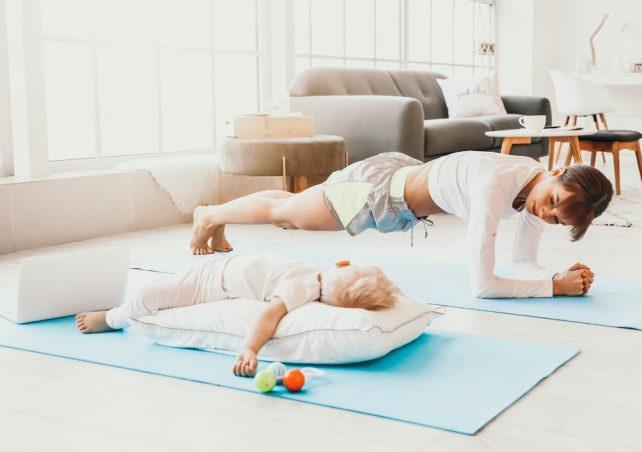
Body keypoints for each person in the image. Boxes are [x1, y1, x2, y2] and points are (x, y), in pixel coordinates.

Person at [189, 151, 613, 298]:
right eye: (554, 202)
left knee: (291, 208)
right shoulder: (496, 186)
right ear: (556, 171)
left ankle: (218, 216)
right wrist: (552, 288)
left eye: (558, 219)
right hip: (377, 193)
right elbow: (483, 286)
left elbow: (521, 261)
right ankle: (210, 215)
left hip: (399, 184)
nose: (546, 214)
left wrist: (553, 276)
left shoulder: (533, 183)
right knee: (288, 218)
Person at [76, 254, 396, 377]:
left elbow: (269, 317)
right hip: (220, 266)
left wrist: (250, 348)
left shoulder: (304, 289)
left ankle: (111, 318)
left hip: (212, 284)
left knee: (147, 297)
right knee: (161, 287)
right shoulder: (319, 272)